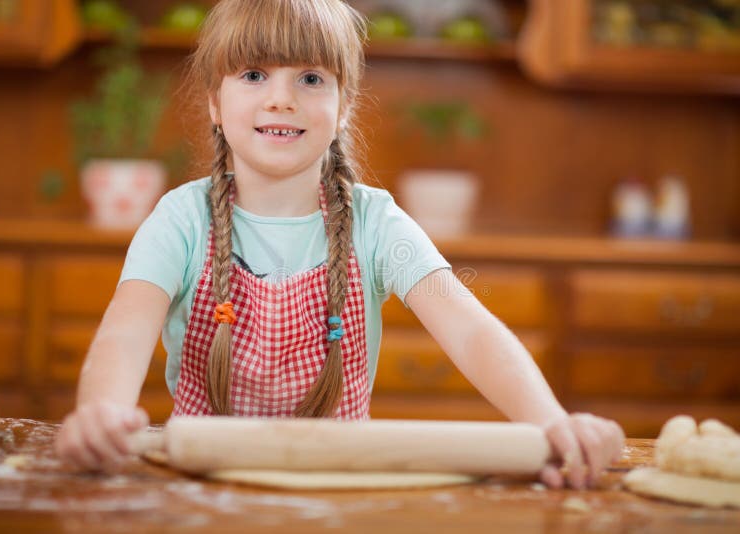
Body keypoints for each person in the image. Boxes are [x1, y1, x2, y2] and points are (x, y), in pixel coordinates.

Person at [55, 0, 624, 489]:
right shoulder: (181, 219)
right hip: (199, 482)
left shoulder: (376, 223)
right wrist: (101, 413)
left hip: (340, 487)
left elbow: (470, 329)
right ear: (214, 103)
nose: (282, 99)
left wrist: (551, 422)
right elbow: (125, 331)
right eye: (254, 74)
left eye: (310, 77)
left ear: (344, 104)